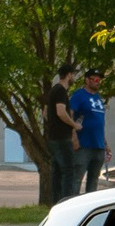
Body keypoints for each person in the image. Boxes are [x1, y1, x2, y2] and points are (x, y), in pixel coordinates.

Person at [43, 63, 81, 202]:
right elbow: (60, 112)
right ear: (69, 75)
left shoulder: (53, 91)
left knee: (57, 172)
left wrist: (53, 124)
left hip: (54, 137)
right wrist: (74, 125)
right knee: (68, 171)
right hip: (61, 138)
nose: (74, 78)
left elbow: (45, 113)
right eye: (74, 75)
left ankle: (56, 202)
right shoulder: (60, 91)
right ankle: (66, 202)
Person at [71, 68, 110, 194]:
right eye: (96, 79)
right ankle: (72, 204)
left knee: (93, 180)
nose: (98, 82)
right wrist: (74, 137)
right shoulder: (79, 95)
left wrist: (106, 143)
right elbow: (70, 116)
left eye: (100, 80)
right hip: (84, 145)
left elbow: (99, 123)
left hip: (98, 145)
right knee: (77, 178)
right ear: (87, 80)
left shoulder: (98, 98)